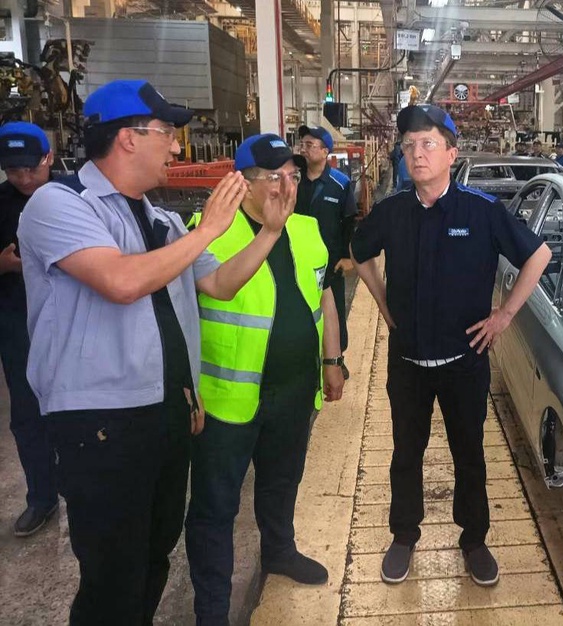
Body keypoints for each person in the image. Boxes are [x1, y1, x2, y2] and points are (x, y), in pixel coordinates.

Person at [16, 79, 289, 625]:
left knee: (153, 555)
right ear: (128, 138)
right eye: (167, 132)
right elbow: (120, 281)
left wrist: (268, 234)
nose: (176, 146)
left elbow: (220, 285)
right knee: (112, 573)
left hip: (165, 412)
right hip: (100, 421)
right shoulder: (59, 205)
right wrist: (210, 230)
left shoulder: (161, 220)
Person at [351, 105, 551, 588]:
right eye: (409, 146)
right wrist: (383, 305)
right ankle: (404, 536)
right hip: (408, 364)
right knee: (406, 453)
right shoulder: (393, 212)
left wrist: (503, 316)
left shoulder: (481, 211)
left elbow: (539, 255)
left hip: (464, 363)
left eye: (428, 144)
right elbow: (358, 252)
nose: (416, 154)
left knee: (469, 453)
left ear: (451, 153)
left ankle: (474, 540)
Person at [184, 134, 345, 626]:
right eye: (275, 177)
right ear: (243, 183)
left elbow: (325, 295)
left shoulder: (307, 228)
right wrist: (269, 233)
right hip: (228, 400)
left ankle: (279, 550)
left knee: (281, 483)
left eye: (291, 176)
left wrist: (332, 359)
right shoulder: (206, 231)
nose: (286, 186)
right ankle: (212, 608)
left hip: (294, 392)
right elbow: (209, 295)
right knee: (215, 506)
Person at [0, 122, 58, 537]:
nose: (23, 178)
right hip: (17, 323)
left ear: (48, 158)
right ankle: (41, 496)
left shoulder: (75, 196)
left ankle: (86, 491)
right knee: (27, 413)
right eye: (13, 170)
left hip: (69, 319)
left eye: (30, 168)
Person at [295, 124, 357, 379]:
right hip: (297, 259)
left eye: (310, 145)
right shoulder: (294, 180)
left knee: (335, 311)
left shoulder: (340, 184)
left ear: (325, 152)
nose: (304, 149)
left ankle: (337, 358)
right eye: (303, 144)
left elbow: (350, 222)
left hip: (330, 262)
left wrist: (348, 257)